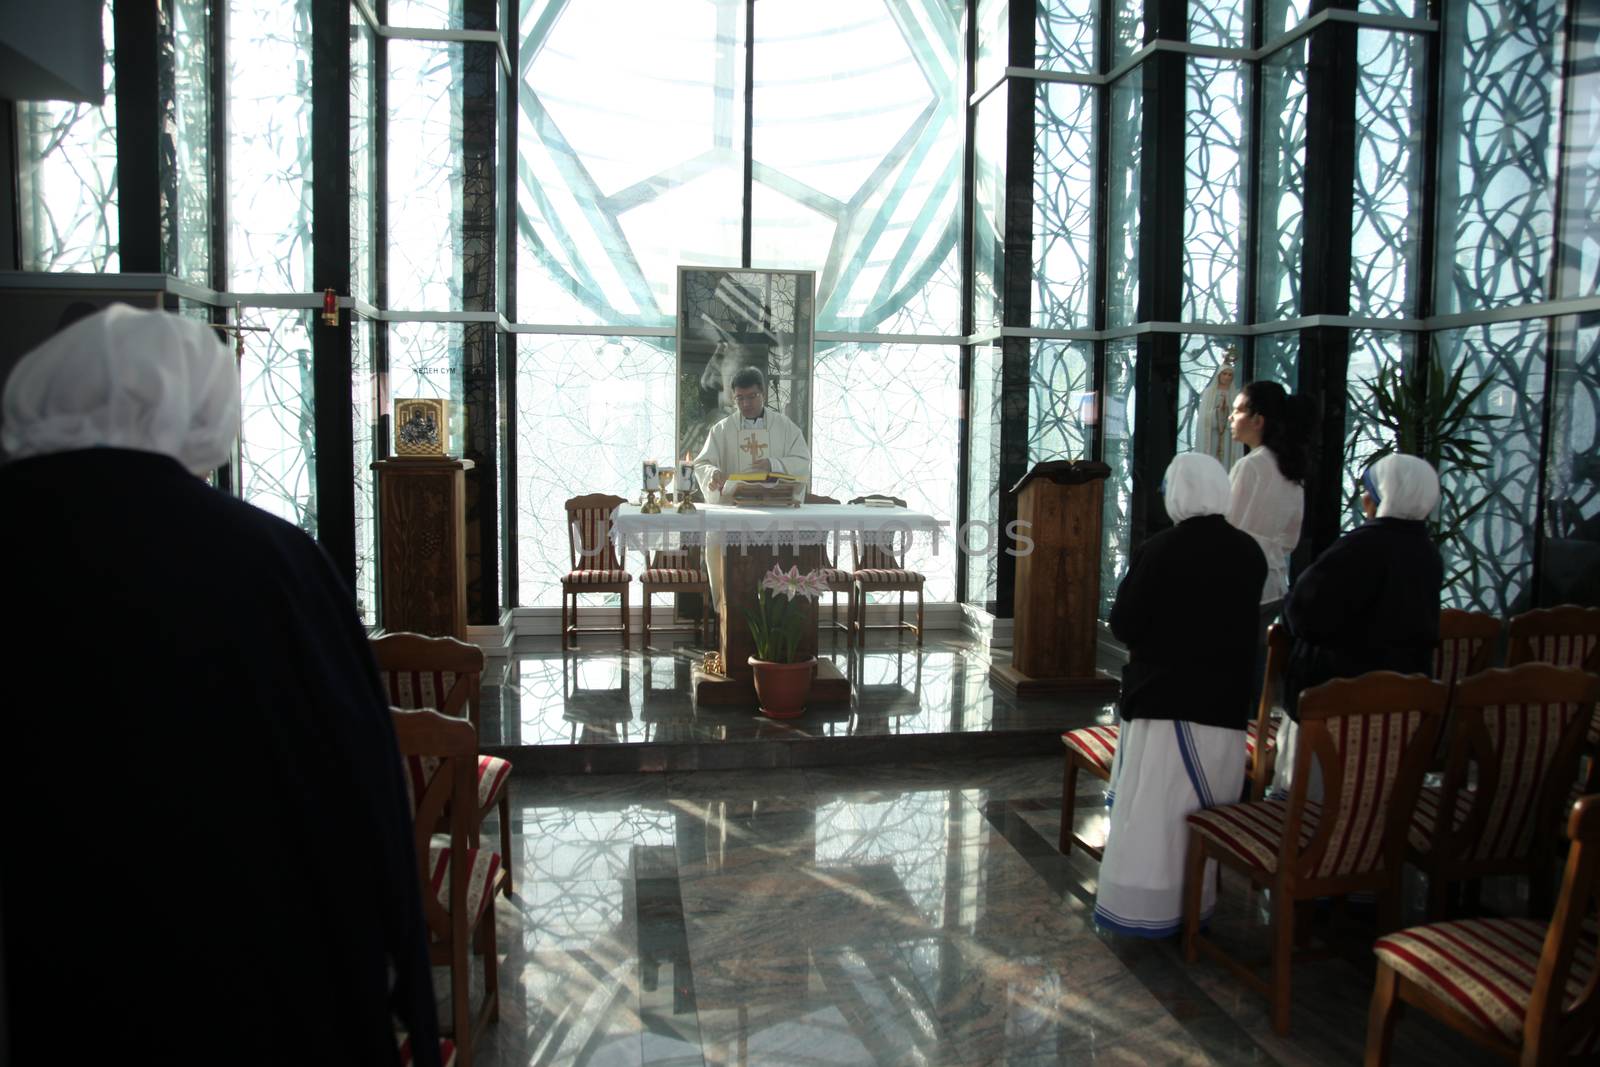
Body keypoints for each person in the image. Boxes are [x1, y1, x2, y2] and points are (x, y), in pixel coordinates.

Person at [0, 306, 442, 1066]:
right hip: (245, 971)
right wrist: (403, 983)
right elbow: (359, 786)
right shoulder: (268, 563)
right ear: (203, 411)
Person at [1094, 454, 1267, 939]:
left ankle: (1146, 909)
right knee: (1201, 811)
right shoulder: (1249, 551)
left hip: (1167, 703)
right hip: (1226, 707)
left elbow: (1125, 623)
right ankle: (1196, 903)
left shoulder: (1162, 548)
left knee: (1155, 813)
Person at [1270, 453, 1444, 799]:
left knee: (1316, 803)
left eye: (1369, 491)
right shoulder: (1427, 553)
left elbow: (1303, 611)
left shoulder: (1360, 548)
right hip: (1396, 705)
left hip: (1335, 703)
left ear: (1382, 497)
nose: (1364, 498)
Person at [691, 365, 812, 600]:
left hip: (774, 511)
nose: (746, 403)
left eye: (751, 397)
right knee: (733, 576)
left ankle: (778, 610)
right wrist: (713, 474)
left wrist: (774, 464)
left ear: (763, 394)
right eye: (740, 398)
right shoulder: (722, 429)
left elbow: (802, 461)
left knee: (775, 569)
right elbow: (702, 463)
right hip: (736, 512)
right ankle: (728, 611)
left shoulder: (785, 427)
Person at [1194, 359, 1245, 473]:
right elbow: (1203, 419)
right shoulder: (1209, 393)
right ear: (1219, 375)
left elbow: (1239, 418)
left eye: (1230, 375)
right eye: (1224, 374)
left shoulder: (1235, 394)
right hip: (1212, 437)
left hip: (1228, 437)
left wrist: (1227, 412)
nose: (1227, 377)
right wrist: (1217, 412)